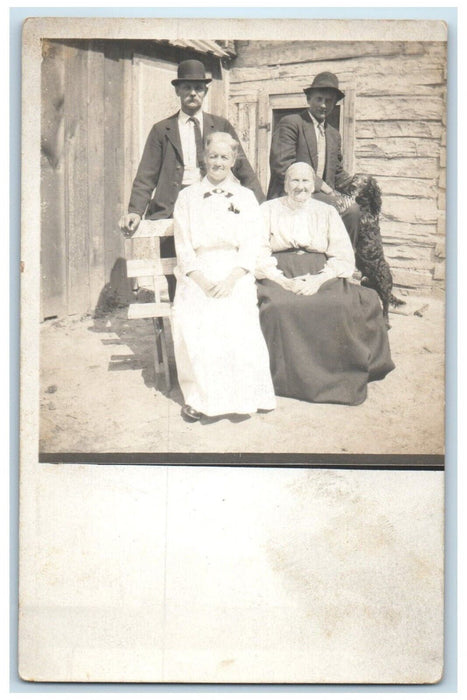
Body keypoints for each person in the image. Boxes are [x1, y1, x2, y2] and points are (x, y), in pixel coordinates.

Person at [119, 59, 264, 299]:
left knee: (216, 262)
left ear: (205, 91)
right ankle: (182, 321)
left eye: (198, 88)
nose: (192, 93)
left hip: (212, 202)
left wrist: (262, 206)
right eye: (187, 87)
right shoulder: (161, 130)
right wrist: (135, 210)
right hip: (171, 206)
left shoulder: (221, 125)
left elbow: (243, 168)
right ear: (178, 91)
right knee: (178, 272)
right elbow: (146, 174)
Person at [256, 162, 394, 406]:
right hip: (279, 271)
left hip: (320, 271)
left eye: (306, 181)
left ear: (313, 185)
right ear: (285, 184)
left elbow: (342, 254)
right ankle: (283, 381)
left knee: (337, 304)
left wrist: (318, 280)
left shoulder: (327, 211)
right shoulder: (268, 209)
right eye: (294, 181)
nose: (300, 187)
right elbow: (258, 251)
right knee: (277, 307)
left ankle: (335, 380)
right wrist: (282, 281)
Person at [172, 132, 276, 422]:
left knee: (236, 314)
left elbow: (251, 244)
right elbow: (183, 247)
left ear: (234, 160)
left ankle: (246, 395)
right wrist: (203, 282)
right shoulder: (186, 197)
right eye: (213, 156)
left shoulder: (245, 197)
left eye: (224, 157)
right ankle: (201, 399)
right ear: (204, 158)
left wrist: (231, 280)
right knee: (197, 317)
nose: (218, 162)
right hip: (198, 273)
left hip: (235, 270)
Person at [267, 71, 360, 248]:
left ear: (335, 103)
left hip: (322, 196)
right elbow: (283, 166)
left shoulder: (333, 134)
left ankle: (344, 260)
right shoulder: (292, 123)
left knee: (355, 209)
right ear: (309, 99)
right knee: (348, 209)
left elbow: (337, 172)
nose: (324, 105)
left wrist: (358, 186)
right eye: (319, 99)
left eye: (329, 100)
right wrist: (324, 187)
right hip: (292, 192)